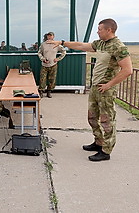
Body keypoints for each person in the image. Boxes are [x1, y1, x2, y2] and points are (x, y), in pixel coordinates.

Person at [48, 18, 132, 162]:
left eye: (100, 29)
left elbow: (127, 70)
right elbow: (81, 45)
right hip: (95, 87)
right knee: (92, 118)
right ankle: (98, 142)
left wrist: (109, 85)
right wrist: (62, 43)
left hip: (106, 89)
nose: (97, 32)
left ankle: (106, 151)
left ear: (109, 30)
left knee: (107, 120)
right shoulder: (100, 43)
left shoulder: (119, 47)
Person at [37, 32, 66, 98]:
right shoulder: (43, 44)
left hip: (53, 65)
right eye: (48, 36)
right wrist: (43, 59)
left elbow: (64, 52)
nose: (49, 37)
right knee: (42, 79)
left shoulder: (57, 44)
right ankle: (41, 91)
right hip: (44, 65)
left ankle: (49, 91)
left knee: (52, 79)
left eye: (51, 36)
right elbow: (39, 53)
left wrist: (58, 59)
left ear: (53, 36)